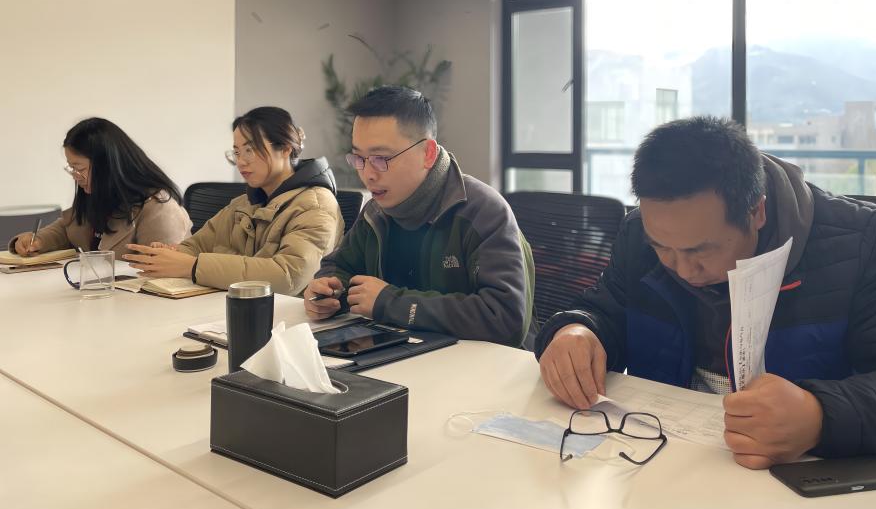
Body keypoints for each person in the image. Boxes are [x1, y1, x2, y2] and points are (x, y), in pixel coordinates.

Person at [535, 116, 876, 469]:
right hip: (664, 463)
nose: (682, 269)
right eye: (663, 248)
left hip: (796, 479)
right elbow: (605, 307)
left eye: (701, 251)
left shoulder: (858, 242)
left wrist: (821, 416)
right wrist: (577, 330)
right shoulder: (641, 235)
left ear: (757, 212)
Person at [304, 85, 535, 347]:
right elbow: (340, 266)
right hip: (407, 355)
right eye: (359, 158)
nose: (368, 174)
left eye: (381, 158)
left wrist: (390, 303)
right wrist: (327, 291)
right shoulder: (376, 211)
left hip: (488, 366)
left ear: (428, 153)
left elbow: (505, 319)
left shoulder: (483, 212)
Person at [124, 107, 342, 296]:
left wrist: (193, 266)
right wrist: (172, 255)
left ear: (285, 148)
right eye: (237, 152)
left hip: (288, 318)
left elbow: (288, 276)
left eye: (250, 150)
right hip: (235, 307)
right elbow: (198, 245)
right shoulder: (244, 203)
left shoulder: (316, 205)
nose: (241, 162)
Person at [10, 118, 192, 260]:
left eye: (80, 169)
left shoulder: (159, 209)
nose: (75, 176)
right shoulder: (100, 195)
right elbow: (68, 228)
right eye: (71, 168)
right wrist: (38, 240)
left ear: (108, 165)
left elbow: (162, 272)